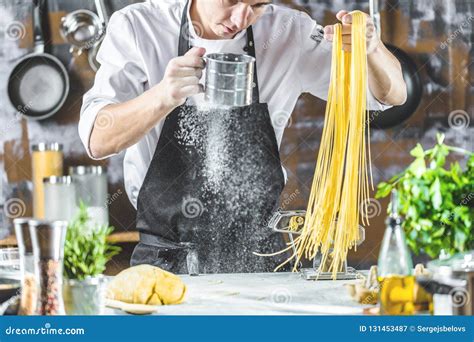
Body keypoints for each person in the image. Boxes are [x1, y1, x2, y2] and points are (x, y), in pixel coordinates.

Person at [79, 0, 407, 274]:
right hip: (165, 264)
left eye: (257, 5)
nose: (240, 19)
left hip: (260, 260)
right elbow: (98, 138)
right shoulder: (139, 27)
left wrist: (372, 49)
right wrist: (162, 96)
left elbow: (389, 95)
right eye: (231, 1)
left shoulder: (289, 32)